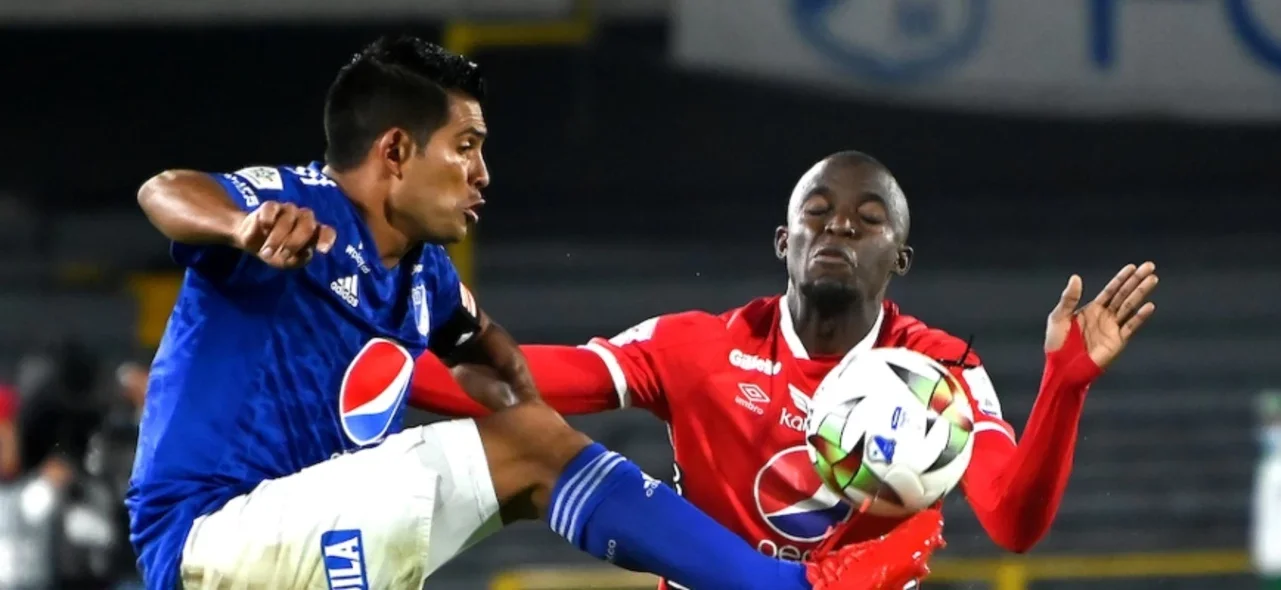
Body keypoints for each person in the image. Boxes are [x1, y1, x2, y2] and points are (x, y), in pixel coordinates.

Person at [126, 38, 937, 590]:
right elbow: (164, 189)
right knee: (529, 449)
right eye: (466, 146)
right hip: (211, 535)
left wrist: (503, 369)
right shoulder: (303, 206)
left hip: (305, 531)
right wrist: (241, 226)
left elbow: (487, 356)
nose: (483, 172)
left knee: (529, 447)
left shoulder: (425, 276)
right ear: (397, 151)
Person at [412, 151, 1160, 588]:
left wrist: (1063, 385)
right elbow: (521, 384)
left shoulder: (937, 373)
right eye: (817, 211)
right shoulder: (697, 347)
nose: (838, 224)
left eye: (868, 218)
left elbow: (1012, 524)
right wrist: (365, 356)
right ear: (783, 242)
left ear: (897, 258)